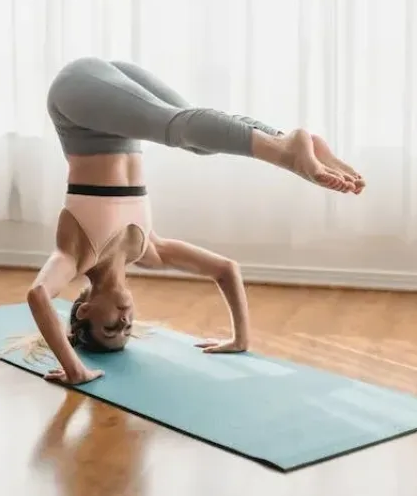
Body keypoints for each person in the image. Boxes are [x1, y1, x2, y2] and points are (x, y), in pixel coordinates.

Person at [27, 57, 365, 386]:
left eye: (112, 328)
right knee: (199, 140)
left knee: (175, 127)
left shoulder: (75, 254)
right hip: (114, 97)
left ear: (84, 312)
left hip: (75, 95)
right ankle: (284, 138)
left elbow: (39, 295)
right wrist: (240, 339)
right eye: (128, 329)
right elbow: (226, 269)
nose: (125, 321)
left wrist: (74, 370)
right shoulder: (148, 250)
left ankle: (286, 150)